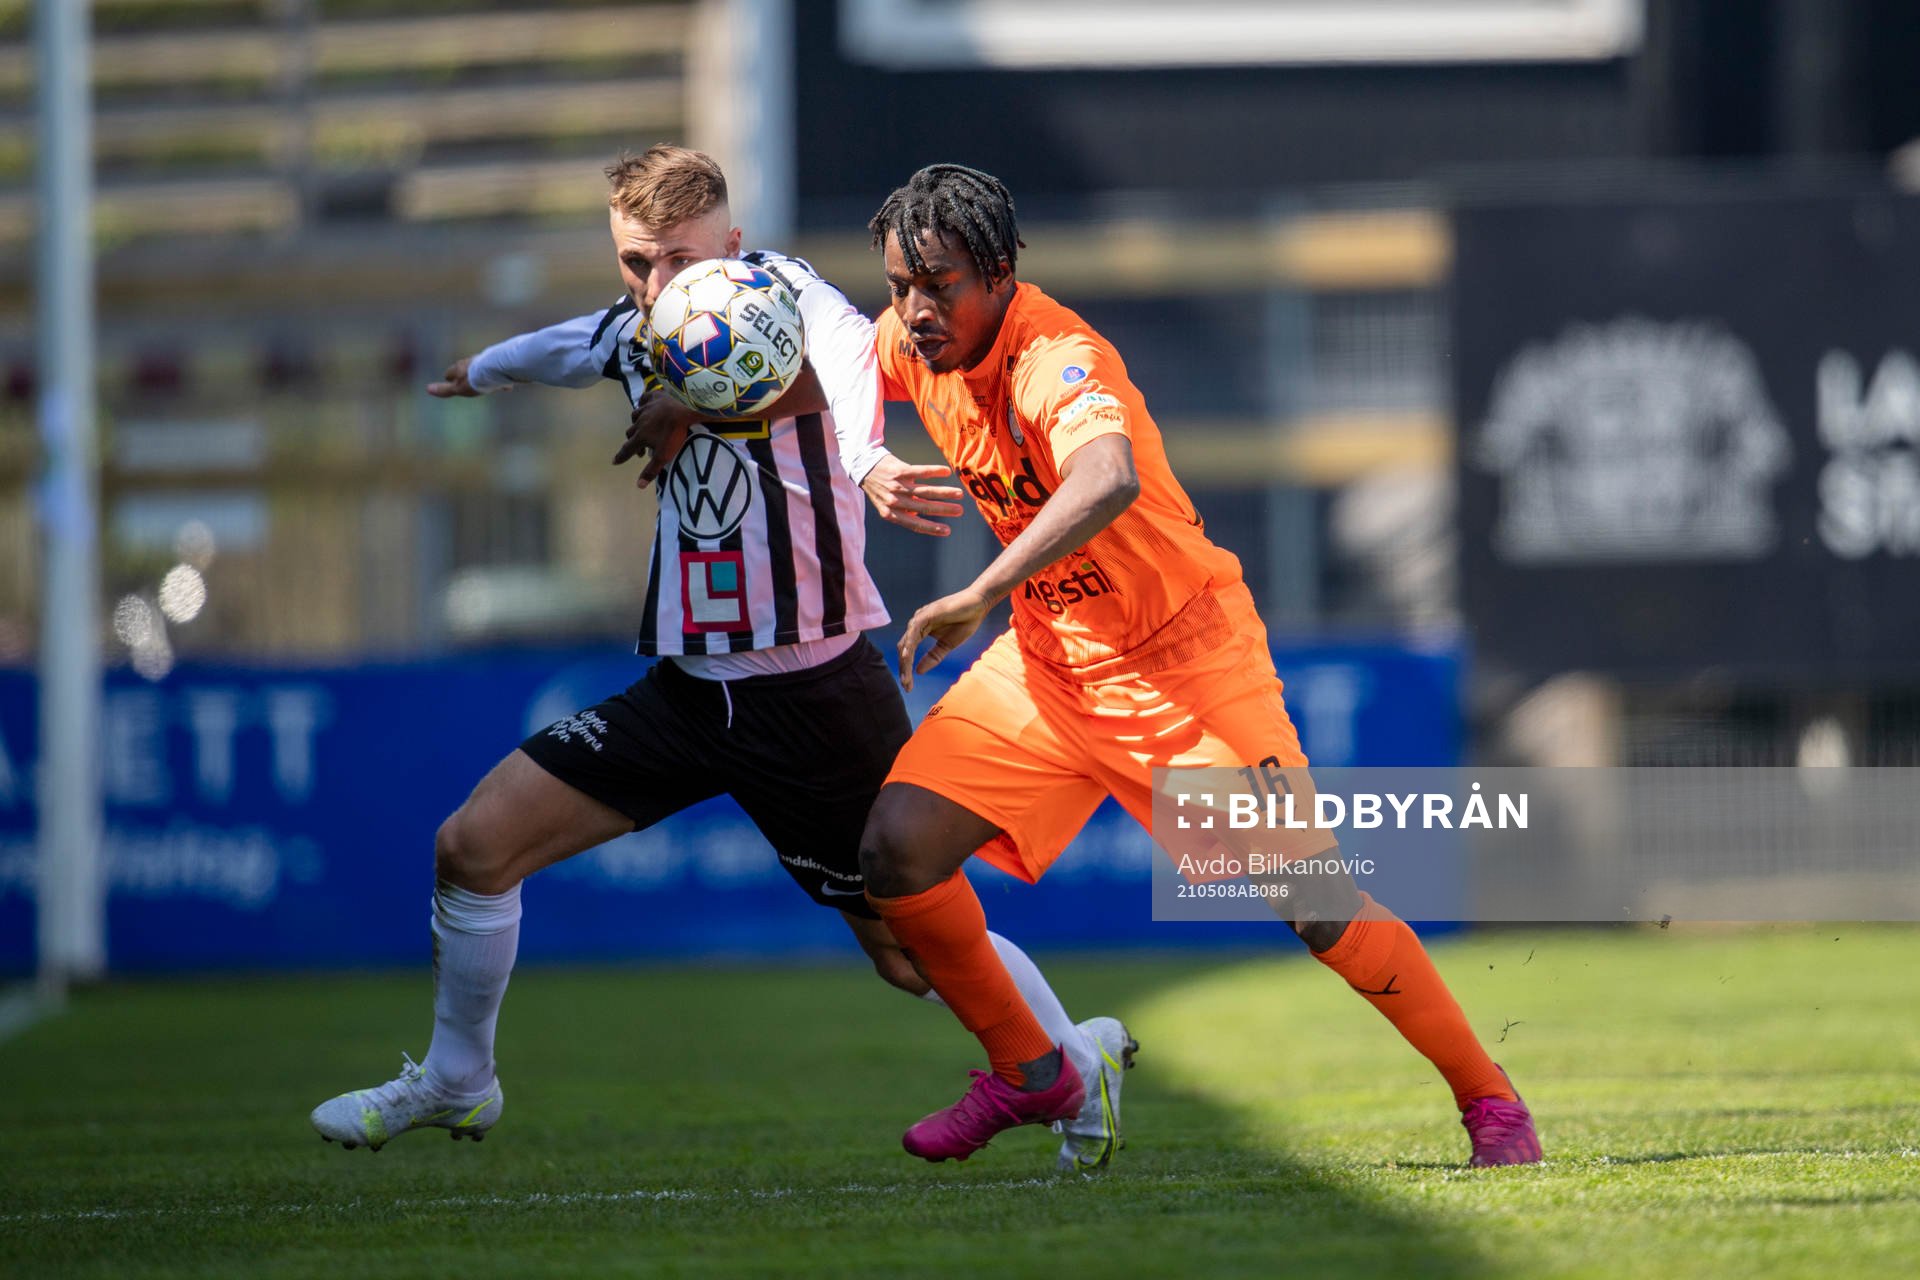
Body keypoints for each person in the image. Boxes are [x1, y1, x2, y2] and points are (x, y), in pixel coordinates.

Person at [310, 147, 1135, 1172]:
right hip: (690, 693)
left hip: (816, 694)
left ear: (732, 245)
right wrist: (486, 367)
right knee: (472, 846)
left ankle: (1068, 1063)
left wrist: (870, 459)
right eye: (635, 263)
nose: (658, 286)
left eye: (678, 259)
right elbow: (583, 344)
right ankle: (456, 1075)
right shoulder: (647, 327)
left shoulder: (789, 300)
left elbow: (842, 364)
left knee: (908, 945)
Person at [855, 163, 1542, 1168]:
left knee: (1316, 905)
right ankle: (1033, 1066)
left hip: (1182, 665)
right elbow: (806, 369)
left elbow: (1107, 474)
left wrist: (978, 589)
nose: (914, 310)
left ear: (1000, 275)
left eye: (939, 284)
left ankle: (1491, 1099)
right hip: (1052, 664)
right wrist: (697, 403)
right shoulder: (907, 344)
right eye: (898, 286)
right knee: (893, 852)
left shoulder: (1056, 353)